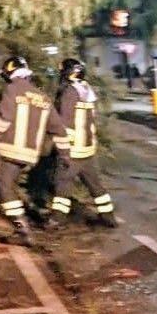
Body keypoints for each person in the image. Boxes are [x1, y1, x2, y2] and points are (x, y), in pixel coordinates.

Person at [0, 55, 70, 246]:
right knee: (6, 183)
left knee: (3, 184)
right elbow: (58, 129)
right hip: (30, 153)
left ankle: (22, 229)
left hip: (10, 148)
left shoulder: (12, 89)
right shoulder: (42, 97)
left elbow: (3, 119)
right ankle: (19, 225)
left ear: (9, 73)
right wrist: (65, 154)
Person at [47, 58, 117, 228]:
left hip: (73, 150)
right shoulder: (86, 90)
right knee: (95, 184)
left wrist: (62, 147)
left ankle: (57, 219)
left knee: (63, 183)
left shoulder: (70, 93)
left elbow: (65, 123)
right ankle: (108, 217)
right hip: (87, 148)